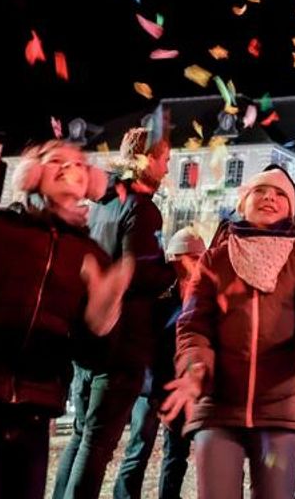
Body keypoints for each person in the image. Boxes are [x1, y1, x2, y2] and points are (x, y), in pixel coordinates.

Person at [0, 140, 132, 499]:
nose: (66, 168)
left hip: (35, 409)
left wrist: (102, 318)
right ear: (33, 173)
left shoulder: (88, 254)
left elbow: (92, 356)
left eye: (77, 164)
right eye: (55, 160)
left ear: (89, 180)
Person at [161, 168, 295, 499]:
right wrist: (194, 366)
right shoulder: (213, 259)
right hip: (218, 405)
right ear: (242, 202)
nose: (269, 197)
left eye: (280, 194)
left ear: (292, 208)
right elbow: (193, 325)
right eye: (260, 191)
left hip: (281, 408)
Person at [54, 127, 176, 499]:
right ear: (148, 159)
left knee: (81, 434)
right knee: (97, 442)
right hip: (124, 339)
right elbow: (137, 272)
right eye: (165, 160)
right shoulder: (142, 206)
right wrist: (174, 272)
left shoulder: (104, 204)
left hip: (90, 335)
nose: (168, 169)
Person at [111, 227, 205, 499]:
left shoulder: (203, 295)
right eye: (187, 257)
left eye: (196, 257)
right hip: (152, 384)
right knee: (139, 449)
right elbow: (146, 336)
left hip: (179, 385)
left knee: (176, 453)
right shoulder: (160, 293)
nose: (191, 263)